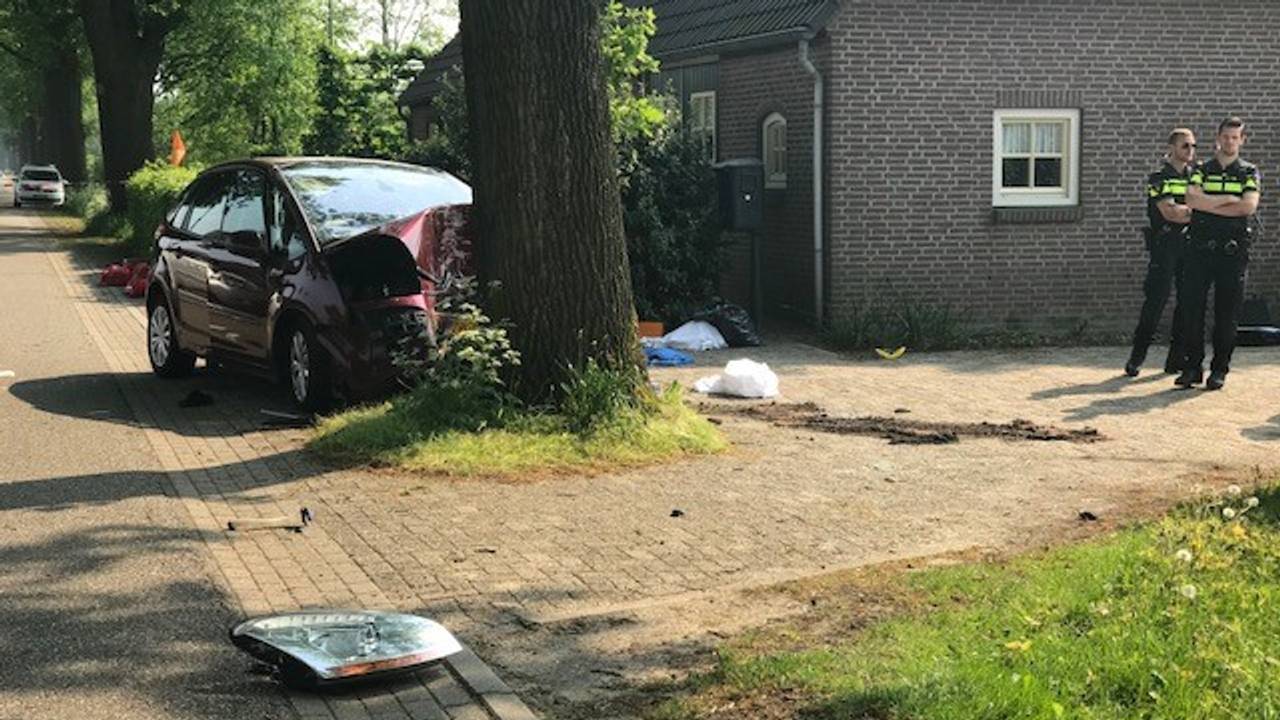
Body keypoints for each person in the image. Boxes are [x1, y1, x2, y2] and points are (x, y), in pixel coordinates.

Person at [1176, 116, 1261, 390]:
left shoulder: (1249, 172)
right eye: (1226, 136)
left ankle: (1219, 370)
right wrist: (1226, 200)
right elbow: (1190, 198)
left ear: (1242, 140)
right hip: (1199, 249)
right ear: (1218, 138)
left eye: (1235, 137)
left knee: (1227, 314)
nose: (1230, 141)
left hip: (1232, 252)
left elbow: (1248, 207)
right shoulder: (1201, 168)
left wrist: (1207, 205)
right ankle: (1192, 368)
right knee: (1192, 310)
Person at [1125, 128, 1197, 376]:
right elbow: (1170, 213)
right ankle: (1137, 357)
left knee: (1187, 303)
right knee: (1156, 300)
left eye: (1193, 146)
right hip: (1165, 245)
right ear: (1173, 147)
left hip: (1190, 246)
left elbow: (1186, 210)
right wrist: (1199, 211)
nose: (1190, 151)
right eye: (1185, 146)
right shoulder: (1158, 178)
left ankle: (1176, 358)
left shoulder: (1196, 177)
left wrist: (1189, 210)